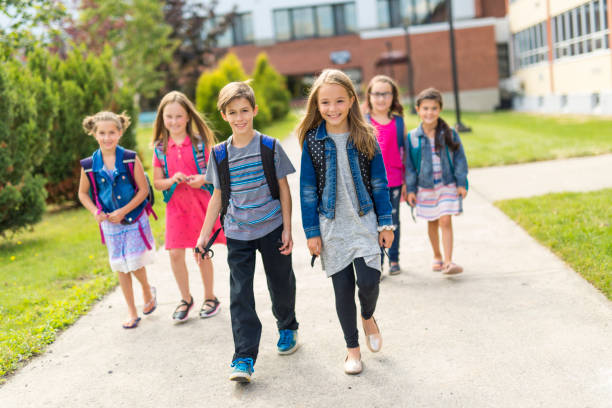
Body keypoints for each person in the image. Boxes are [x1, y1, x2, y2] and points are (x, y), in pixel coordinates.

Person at [196, 81, 299, 383]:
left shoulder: (270, 146)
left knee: (280, 283)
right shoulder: (219, 154)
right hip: (237, 232)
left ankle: (288, 326)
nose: (239, 117)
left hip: (271, 227)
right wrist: (204, 234)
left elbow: (283, 189)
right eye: (232, 112)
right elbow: (217, 194)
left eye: (244, 110)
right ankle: (243, 357)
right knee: (240, 294)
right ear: (224, 115)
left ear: (254, 110)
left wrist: (288, 228)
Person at [298, 69, 394, 375]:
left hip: (364, 221)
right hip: (332, 226)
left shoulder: (366, 136)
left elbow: (380, 183)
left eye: (340, 101)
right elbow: (307, 190)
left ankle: (368, 315)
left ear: (352, 100)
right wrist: (312, 232)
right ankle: (352, 349)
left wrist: (386, 223)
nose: (333, 108)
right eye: (325, 102)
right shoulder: (313, 141)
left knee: (368, 282)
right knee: (342, 290)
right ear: (317, 104)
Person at [78, 111, 156, 329]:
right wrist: (95, 212)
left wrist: (123, 210)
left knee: (135, 262)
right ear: (94, 134)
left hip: (132, 218)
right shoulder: (88, 165)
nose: (107, 137)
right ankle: (132, 310)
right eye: (101, 133)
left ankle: (147, 290)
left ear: (120, 133)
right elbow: (83, 194)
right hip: (110, 224)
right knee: (121, 267)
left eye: (111, 132)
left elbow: (143, 190)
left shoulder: (130, 158)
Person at [152, 91, 224, 322]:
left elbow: (215, 174)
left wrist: (203, 178)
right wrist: (172, 180)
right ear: (162, 118)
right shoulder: (160, 149)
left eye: (178, 116)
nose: (173, 121)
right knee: (174, 254)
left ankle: (210, 297)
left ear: (188, 117)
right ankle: (185, 298)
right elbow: (157, 182)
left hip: (200, 205)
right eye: (168, 117)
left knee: (201, 252)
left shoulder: (201, 144)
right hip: (176, 208)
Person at [403, 88, 468, 275]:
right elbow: (410, 165)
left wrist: (462, 183)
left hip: (446, 184)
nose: (429, 112)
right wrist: (412, 189)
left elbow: (460, 159)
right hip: (426, 187)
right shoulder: (413, 137)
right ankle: (437, 256)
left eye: (433, 108)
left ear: (440, 109)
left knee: (445, 220)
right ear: (417, 109)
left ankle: (449, 262)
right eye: (425, 108)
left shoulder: (449, 133)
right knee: (432, 221)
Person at [364, 75, 406, 276]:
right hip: (370, 184)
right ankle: (378, 263)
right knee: (374, 224)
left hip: (395, 181)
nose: (382, 98)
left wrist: (407, 182)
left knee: (393, 221)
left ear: (393, 96)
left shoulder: (399, 123)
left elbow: (404, 153)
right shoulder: (363, 122)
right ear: (370, 96)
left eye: (386, 94)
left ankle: (394, 259)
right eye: (377, 94)